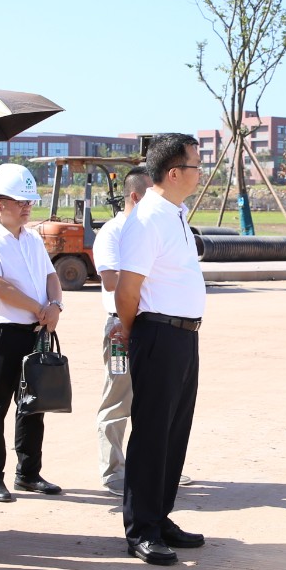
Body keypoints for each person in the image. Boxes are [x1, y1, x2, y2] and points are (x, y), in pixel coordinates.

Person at [113, 134, 209, 565]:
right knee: (152, 433)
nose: (200, 172)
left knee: (174, 432)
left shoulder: (176, 214)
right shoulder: (147, 219)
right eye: (195, 165)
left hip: (183, 336)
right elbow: (127, 290)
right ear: (173, 173)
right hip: (157, 334)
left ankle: (160, 515)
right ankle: (141, 529)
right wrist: (132, 332)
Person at [0, 163, 64, 502]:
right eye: (20, 201)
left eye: (29, 201)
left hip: (35, 331)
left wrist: (55, 305)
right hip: (4, 333)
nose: (27, 207)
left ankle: (28, 472)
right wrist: (39, 308)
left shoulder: (32, 238)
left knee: (33, 405)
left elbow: (51, 276)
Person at [93, 167, 192, 496]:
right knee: (118, 399)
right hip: (122, 325)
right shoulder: (113, 231)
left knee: (157, 401)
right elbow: (112, 281)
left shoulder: (160, 224)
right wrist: (149, 274)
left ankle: (156, 467)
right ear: (136, 196)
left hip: (155, 325)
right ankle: (114, 470)